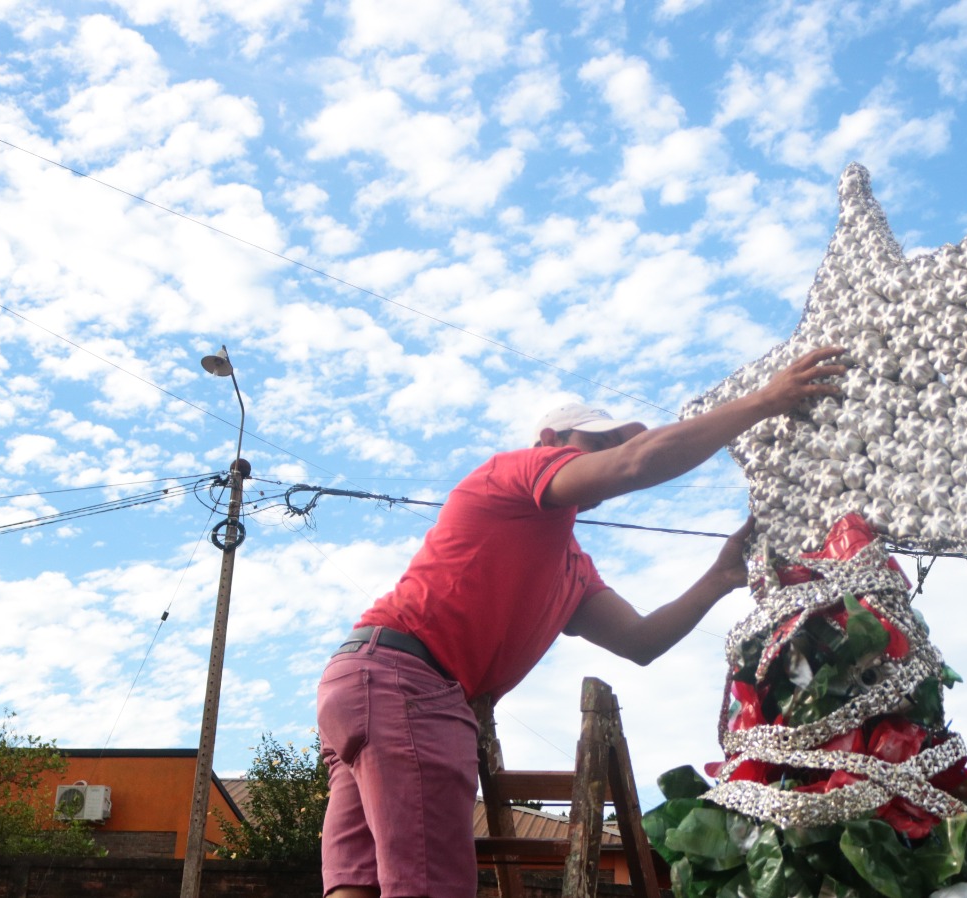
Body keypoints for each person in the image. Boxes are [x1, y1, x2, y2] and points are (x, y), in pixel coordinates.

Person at [316, 346, 847, 898]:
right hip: (408, 684)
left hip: (364, 684)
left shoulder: (568, 566)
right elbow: (637, 464)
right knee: (430, 887)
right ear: (549, 443)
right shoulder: (515, 473)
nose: (613, 453)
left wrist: (716, 578)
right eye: (598, 443)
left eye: (617, 443)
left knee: (357, 885)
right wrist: (764, 401)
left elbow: (642, 641)